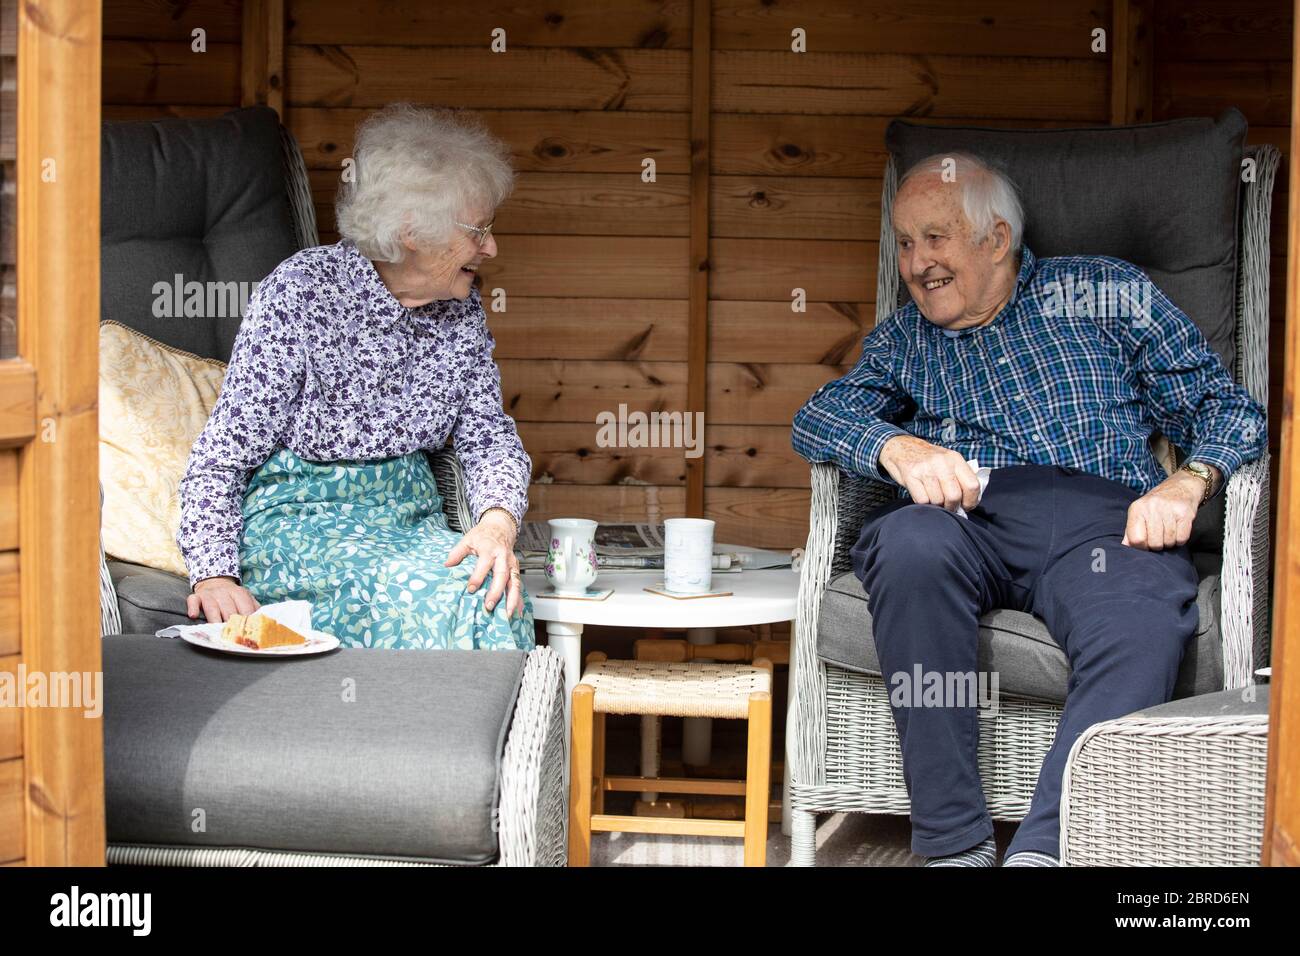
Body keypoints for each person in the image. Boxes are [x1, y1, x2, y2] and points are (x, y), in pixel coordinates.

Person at [791, 152, 1267, 866]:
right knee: (908, 545)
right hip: (967, 520)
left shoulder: (1103, 290)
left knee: (1141, 618)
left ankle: (1049, 850)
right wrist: (899, 449)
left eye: (935, 238)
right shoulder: (903, 340)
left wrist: (1188, 482)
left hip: (1106, 526)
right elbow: (817, 416)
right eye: (906, 243)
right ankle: (952, 846)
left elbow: (1228, 409)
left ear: (997, 239)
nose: (917, 263)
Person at [178, 103, 534, 651]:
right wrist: (214, 572)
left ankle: (480, 740)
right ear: (413, 231)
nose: (491, 248)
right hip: (301, 527)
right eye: (478, 232)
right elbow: (223, 454)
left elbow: (487, 436)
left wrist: (495, 523)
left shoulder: (459, 309)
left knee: (494, 593)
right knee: (454, 605)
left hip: (408, 524)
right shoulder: (302, 293)